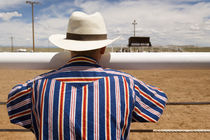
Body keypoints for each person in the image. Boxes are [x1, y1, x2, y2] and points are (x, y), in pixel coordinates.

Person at [7, 11, 167, 140]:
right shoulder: (125, 84)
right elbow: (157, 102)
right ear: (103, 49)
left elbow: (14, 107)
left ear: (69, 48)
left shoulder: (36, 86)